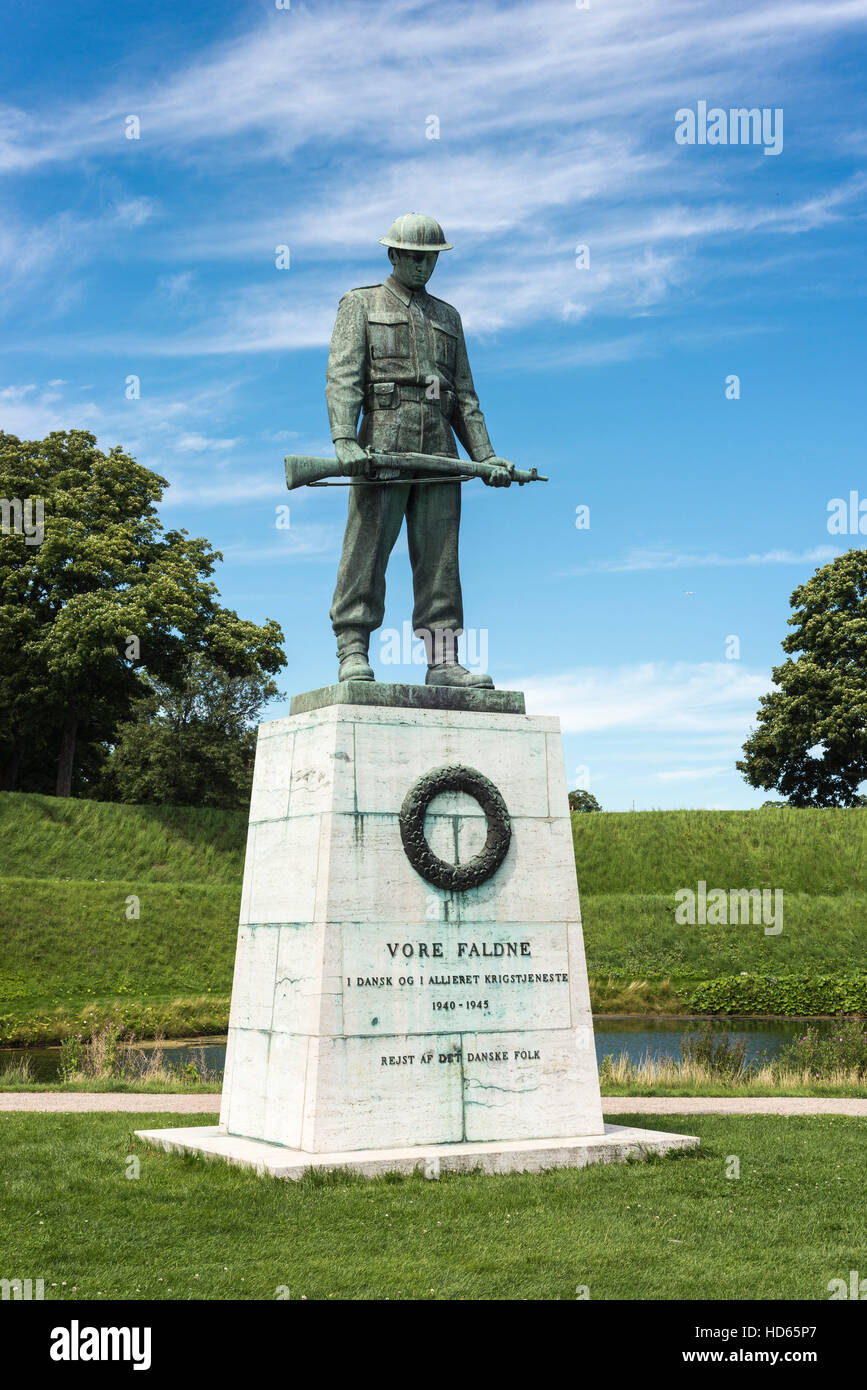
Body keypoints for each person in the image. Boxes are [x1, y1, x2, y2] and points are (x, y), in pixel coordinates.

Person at [325, 212, 513, 688]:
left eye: (430, 259)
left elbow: (465, 395)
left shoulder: (448, 316)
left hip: (440, 448)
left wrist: (485, 456)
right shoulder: (359, 303)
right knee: (367, 549)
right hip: (382, 440)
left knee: (440, 559)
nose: (423, 266)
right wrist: (345, 438)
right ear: (393, 254)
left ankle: (443, 660)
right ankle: (353, 649)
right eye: (414, 257)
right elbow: (344, 377)